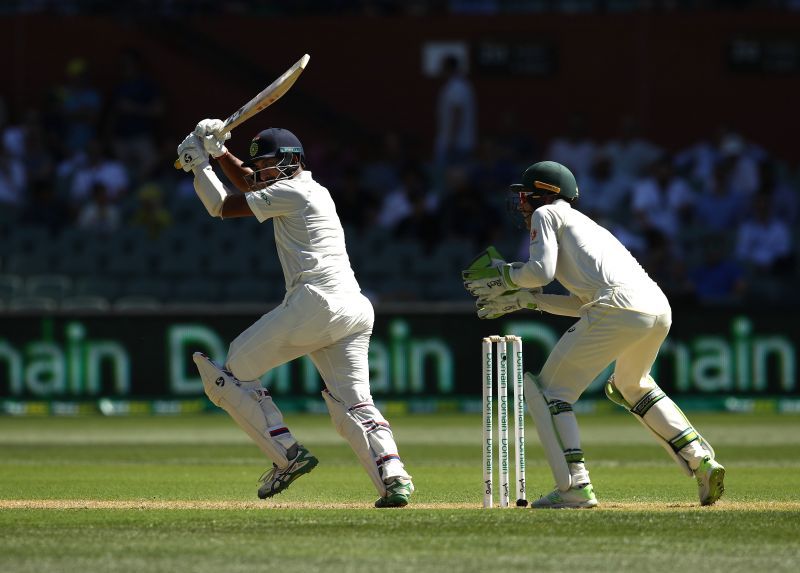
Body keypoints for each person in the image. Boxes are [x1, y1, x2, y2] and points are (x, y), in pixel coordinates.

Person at [175, 120, 413, 508]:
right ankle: (394, 477)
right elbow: (252, 182)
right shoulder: (307, 189)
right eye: (262, 166)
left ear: (292, 160)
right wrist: (218, 153)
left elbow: (221, 205)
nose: (264, 172)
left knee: (230, 372)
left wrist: (197, 164)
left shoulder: (293, 191)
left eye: (270, 164)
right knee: (353, 403)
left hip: (315, 302)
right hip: (354, 307)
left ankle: (286, 453)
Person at [462, 161, 725, 508]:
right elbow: (581, 304)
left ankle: (575, 486)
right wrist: (531, 300)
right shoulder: (587, 227)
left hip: (618, 306)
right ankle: (701, 461)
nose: (522, 205)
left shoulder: (547, 215)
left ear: (545, 194)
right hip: (656, 307)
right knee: (631, 386)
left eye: (525, 196)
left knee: (548, 391)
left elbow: (540, 271)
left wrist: (508, 278)